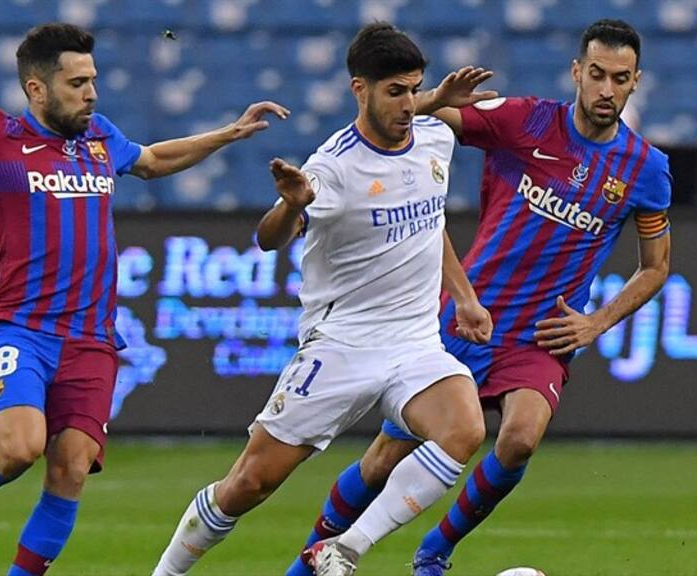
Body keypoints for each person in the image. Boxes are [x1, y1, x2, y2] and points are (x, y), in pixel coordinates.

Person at [286, 18, 672, 576]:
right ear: (576, 73)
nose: (606, 90)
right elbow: (407, 117)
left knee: (518, 439)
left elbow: (656, 268)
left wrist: (596, 324)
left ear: (636, 82)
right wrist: (435, 98)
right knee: (383, 459)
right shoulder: (525, 119)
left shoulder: (647, 170)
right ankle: (306, 564)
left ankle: (435, 551)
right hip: (470, 317)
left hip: (542, 334)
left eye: (620, 78)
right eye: (596, 75)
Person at [151, 22, 497, 576]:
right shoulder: (331, 168)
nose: (409, 104)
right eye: (395, 92)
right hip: (340, 345)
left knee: (465, 428)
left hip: (414, 342)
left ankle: (347, 548)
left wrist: (465, 297)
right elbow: (267, 239)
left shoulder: (435, 137)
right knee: (249, 484)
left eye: (415, 89)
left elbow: (429, 228)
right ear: (359, 90)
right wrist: (291, 205)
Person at [0, 22, 288, 576]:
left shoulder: (100, 137)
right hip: (24, 327)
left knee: (71, 468)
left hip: (92, 339)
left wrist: (228, 134)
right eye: (77, 83)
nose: (91, 93)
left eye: (93, 80)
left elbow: (153, 161)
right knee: (18, 449)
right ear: (36, 89)